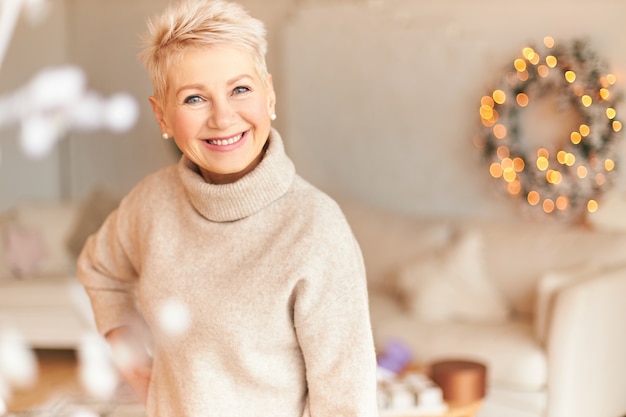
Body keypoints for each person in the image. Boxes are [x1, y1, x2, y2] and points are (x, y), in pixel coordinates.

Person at [76, 0, 379, 415]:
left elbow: (346, 404)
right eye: (195, 98)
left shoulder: (316, 229)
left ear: (268, 95)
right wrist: (136, 368)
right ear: (162, 115)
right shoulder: (151, 203)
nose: (222, 117)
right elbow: (99, 269)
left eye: (240, 89)